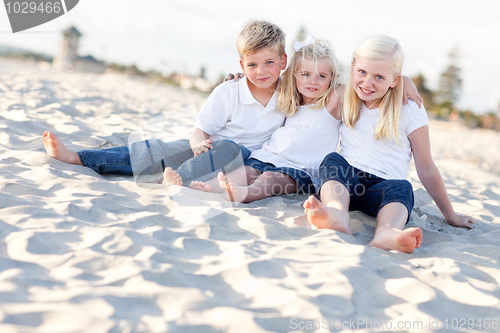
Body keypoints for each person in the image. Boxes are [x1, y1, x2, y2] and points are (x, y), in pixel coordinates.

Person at [44, 20, 287, 187]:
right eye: (252, 65)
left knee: (233, 149)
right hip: (208, 148)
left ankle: (174, 179)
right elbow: (199, 130)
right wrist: (197, 144)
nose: (261, 71)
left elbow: (321, 87)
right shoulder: (229, 91)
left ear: (283, 61)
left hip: (243, 161)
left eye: (269, 63)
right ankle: (78, 157)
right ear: (242, 66)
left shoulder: (291, 93)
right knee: (156, 150)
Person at [303, 35, 475, 254]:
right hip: (347, 184)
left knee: (403, 188)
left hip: (384, 190)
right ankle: (336, 213)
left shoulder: (410, 108)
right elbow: (305, 88)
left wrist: (450, 215)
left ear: (395, 80)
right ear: (353, 66)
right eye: (362, 72)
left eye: (379, 77)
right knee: (332, 161)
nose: (367, 83)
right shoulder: (344, 96)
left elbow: (426, 166)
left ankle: (386, 232)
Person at [207, 36, 343, 203]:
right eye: (305, 74)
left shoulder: (332, 103)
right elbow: (263, 78)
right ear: (294, 75)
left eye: (321, 76)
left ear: (332, 78)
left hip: (300, 170)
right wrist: (245, 76)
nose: (312, 81)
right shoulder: (289, 97)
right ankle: (204, 188)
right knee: (246, 172)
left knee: (270, 178)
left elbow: (358, 86)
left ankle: (244, 194)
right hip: (269, 156)